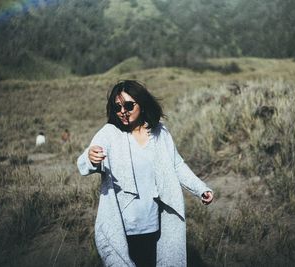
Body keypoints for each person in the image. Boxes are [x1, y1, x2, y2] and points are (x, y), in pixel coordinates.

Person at [77, 80, 213, 267]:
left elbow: (177, 165)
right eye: (118, 107)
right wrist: (91, 158)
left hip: (154, 223)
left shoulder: (159, 132)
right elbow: (85, 161)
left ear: (142, 104)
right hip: (122, 225)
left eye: (129, 105)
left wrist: (200, 189)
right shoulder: (109, 133)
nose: (123, 111)